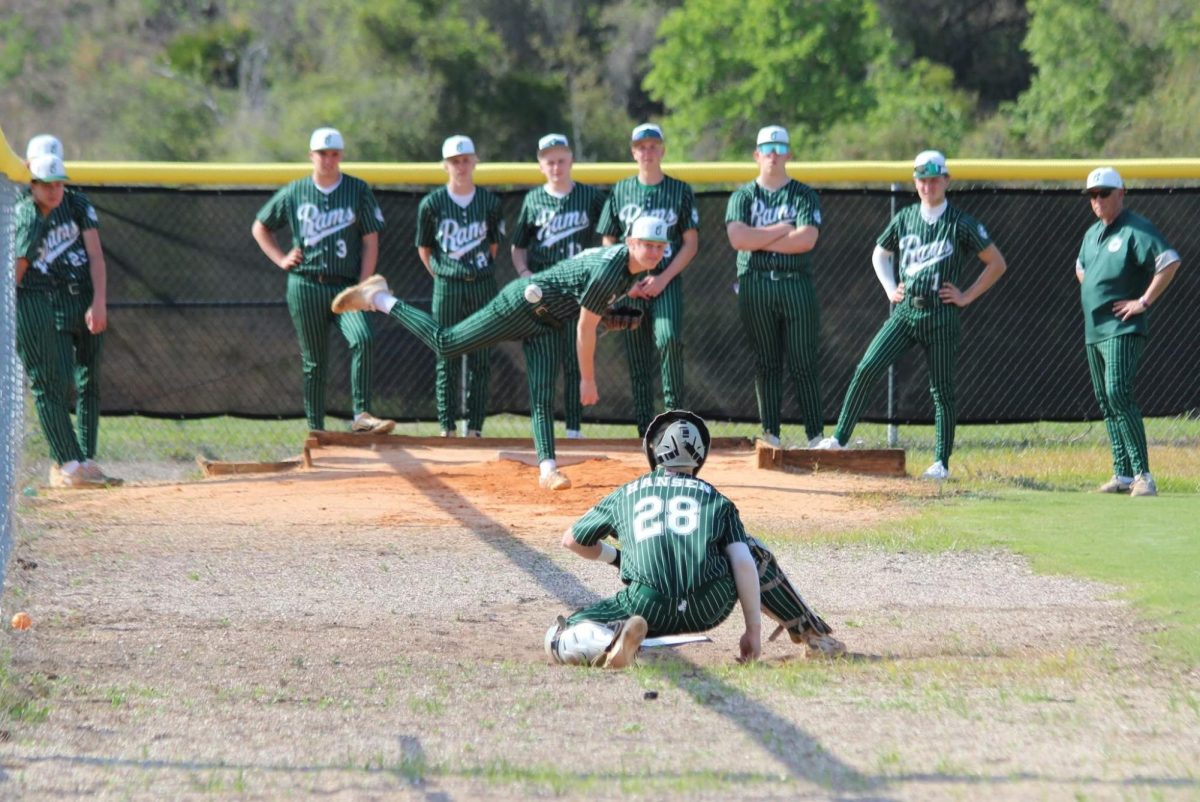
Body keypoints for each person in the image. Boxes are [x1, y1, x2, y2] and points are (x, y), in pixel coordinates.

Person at [331, 217, 672, 490]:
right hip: (521, 304)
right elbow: (584, 327)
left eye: (659, 246)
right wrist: (587, 379)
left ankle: (548, 470)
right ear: (630, 242)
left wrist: (609, 320)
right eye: (646, 244)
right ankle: (379, 298)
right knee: (447, 344)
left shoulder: (629, 270)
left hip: (547, 323)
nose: (653, 251)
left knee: (541, 396)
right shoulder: (612, 270)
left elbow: (582, 307)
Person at [543, 410, 845, 669]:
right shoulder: (717, 498)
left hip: (646, 606)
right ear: (700, 455)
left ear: (654, 451)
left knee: (558, 634)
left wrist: (617, 557)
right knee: (753, 551)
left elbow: (572, 540)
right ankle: (815, 637)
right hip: (709, 604)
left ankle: (611, 642)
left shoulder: (625, 493)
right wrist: (752, 630)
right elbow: (741, 562)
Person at [815, 150, 1007, 480]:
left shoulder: (961, 222)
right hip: (905, 312)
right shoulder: (905, 218)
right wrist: (890, 288)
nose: (928, 185)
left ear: (946, 180)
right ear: (915, 182)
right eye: (922, 179)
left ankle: (940, 463)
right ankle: (839, 439)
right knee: (867, 366)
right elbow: (880, 253)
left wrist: (965, 296)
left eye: (934, 179)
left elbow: (996, 263)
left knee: (942, 389)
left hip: (941, 314)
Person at [252, 127, 394, 435]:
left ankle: (361, 416)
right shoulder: (295, 191)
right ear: (311, 156)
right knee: (314, 360)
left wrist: (364, 284)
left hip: (346, 285)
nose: (328, 160)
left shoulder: (357, 190)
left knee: (363, 339)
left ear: (341, 156)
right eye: (322, 154)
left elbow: (371, 239)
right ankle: (316, 429)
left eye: (334, 154)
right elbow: (260, 227)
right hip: (306, 284)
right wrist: (281, 259)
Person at [21, 135, 121, 486]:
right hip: (49, 301)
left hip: (83, 296)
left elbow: (95, 254)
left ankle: (86, 459)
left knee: (89, 378)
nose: (53, 187)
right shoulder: (22, 206)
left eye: (57, 179)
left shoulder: (76, 202)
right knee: (57, 379)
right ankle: (67, 461)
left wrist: (99, 300)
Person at [1075, 168, 1181, 497]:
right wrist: (1095, 289)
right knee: (1106, 400)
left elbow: (1169, 260)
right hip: (1095, 329)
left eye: (1104, 193)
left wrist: (1143, 301)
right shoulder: (1093, 234)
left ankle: (1143, 475)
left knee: (1118, 390)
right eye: (1093, 195)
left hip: (1122, 326)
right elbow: (1081, 268)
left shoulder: (1135, 229)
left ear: (1122, 193)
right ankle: (1121, 474)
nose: (1098, 200)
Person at [725, 125, 825, 448]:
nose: (772, 153)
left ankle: (815, 436)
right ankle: (771, 434)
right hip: (755, 286)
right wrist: (783, 229)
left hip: (794, 283)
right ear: (756, 155)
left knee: (803, 361)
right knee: (766, 362)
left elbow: (807, 239)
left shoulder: (803, 194)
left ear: (788, 154)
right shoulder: (743, 195)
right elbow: (738, 238)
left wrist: (760, 240)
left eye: (779, 147)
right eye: (766, 148)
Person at [597, 123, 699, 436]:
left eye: (653, 145)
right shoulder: (620, 190)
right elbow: (608, 240)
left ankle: (674, 422)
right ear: (633, 151)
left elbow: (691, 243)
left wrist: (664, 278)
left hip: (664, 282)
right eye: (641, 146)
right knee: (637, 355)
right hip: (630, 286)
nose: (647, 151)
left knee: (668, 340)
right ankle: (645, 430)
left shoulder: (679, 190)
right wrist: (625, 282)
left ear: (662, 150)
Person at [510, 133, 606, 440]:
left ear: (571, 161)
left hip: (578, 289)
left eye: (561, 160)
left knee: (576, 358)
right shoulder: (533, 200)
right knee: (544, 363)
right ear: (540, 165)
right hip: (544, 292)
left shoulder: (590, 197)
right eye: (549, 161)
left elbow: (608, 237)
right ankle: (544, 431)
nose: (556, 166)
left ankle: (574, 431)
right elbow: (518, 246)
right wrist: (524, 271)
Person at [416, 135, 505, 438]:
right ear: (445, 166)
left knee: (481, 358)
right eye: (455, 161)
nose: (461, 166)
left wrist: (473, 271)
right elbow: (425, 248)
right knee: (447, 355)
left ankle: (475, 427)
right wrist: (444, 275)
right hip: (448, 286)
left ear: (475, 161)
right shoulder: (432, 204)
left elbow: (493, 245)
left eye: (466, 159)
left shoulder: (490, 203)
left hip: (481, 284)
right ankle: (447, 427)